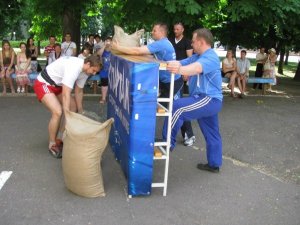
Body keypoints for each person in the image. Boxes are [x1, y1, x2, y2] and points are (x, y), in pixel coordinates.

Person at [165, 28, 223, 173]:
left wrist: (178, 70)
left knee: (176, 108)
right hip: (205, 100)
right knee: (212, 133)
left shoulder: (210, 57)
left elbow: (196, 69)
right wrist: (164, 63)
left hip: (208, 99)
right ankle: (214, 165)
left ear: (202, 42)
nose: (191, 43)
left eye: (193, 41)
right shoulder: (197, 56)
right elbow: (181, 63)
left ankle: (166, 145)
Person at [33, 55, 101, 158]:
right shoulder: (74, 68)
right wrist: (67, 114)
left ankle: (61, 137)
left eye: (96, 72)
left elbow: (78, 91)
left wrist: (81, 111)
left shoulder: (85, 72)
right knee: (58, 112)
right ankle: (52, 144)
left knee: (73, 108)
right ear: (88, 64)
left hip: (58, 86)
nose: (94, 73)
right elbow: (66, 94)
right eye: (94, 70)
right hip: (44, 83)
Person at [112, 22, 183, 110]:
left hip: (174, 81)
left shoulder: (161, 44)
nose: (152, 32)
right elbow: (147, 55)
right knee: (162, 108)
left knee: (178, 109)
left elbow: (137, 51)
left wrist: (117, 48)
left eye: (154, 31)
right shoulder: (162, 43)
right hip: (166, 81)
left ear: (161, 32)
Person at [169, 22, 195, 146]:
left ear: (183, 29)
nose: (175, 31)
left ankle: (189, 135)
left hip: (180, 77)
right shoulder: (169, 41)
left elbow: (190, 59)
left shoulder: (187, 42)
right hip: (168, 77)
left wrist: (186, 73)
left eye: (177, 29)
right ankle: (169, 135)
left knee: (178, 106)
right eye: (174, 29)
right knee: (170, 106)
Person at [97, 37, 112, 104]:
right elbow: (98, 54)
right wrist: (104, 46)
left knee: (113, 85)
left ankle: (112, 99)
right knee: (104, 85)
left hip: (113, 71)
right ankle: (103, 98)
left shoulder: (114, 50)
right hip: (104, 70)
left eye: (109, 41)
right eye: (107, 41)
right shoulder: (102, 50)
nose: (108, 42)